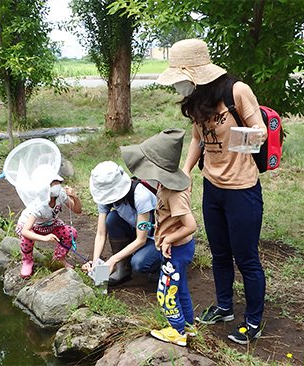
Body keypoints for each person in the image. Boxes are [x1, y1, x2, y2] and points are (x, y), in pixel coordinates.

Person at [157, 38, 267, 345]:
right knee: (219, 253)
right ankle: (224, 307)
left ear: (196, 74)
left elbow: (261, 130)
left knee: (246, 258)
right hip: (212, 186)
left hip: (242, 189)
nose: (178, 86)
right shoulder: (196, 101)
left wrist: (246, 138)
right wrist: (186, 172)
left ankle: (254, 320)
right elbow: (197, 139)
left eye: (181, 78)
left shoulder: (237, 91)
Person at [121, 128, 197, 347]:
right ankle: (188, 326)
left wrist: (168, 239)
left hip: (177, 249)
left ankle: (176, 331)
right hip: (174, 248)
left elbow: (190, 225)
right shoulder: (166, 185)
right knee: (179, 287)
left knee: (165, 292)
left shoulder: (175, 193)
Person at [83, 161, 161, 284]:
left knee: (139, 263)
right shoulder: (104, 197)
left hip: (156, 237)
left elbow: (142, 240)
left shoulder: (140, 195)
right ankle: (122, 270)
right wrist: (96, 262)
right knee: (112, 219)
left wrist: (112, 260)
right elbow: (101, 234)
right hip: (135, 229)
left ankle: (161, 267)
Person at [16, 165, 82, 278]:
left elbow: (77, 210)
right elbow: (25, 231)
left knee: (71, 233)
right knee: (27, 238)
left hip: (51, 224)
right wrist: (44, 238)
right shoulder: (39, 205)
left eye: (57, 182)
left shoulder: (61, 195)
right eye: (53, 183)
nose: (57, 186)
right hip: (33, 226)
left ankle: (59, 258)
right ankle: (27, 261)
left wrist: (75, 197)